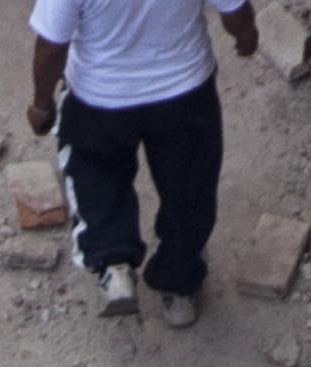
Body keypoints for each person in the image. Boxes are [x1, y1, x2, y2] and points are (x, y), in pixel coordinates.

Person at [26, 0, 255, 329]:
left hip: (100, 99)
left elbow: (50, 46)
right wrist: (247, 38)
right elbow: (235, 10)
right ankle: (179, 287)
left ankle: (113, 264)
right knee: (189, 188)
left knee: (96, 174)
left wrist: (41, 104)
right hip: (186, 93)